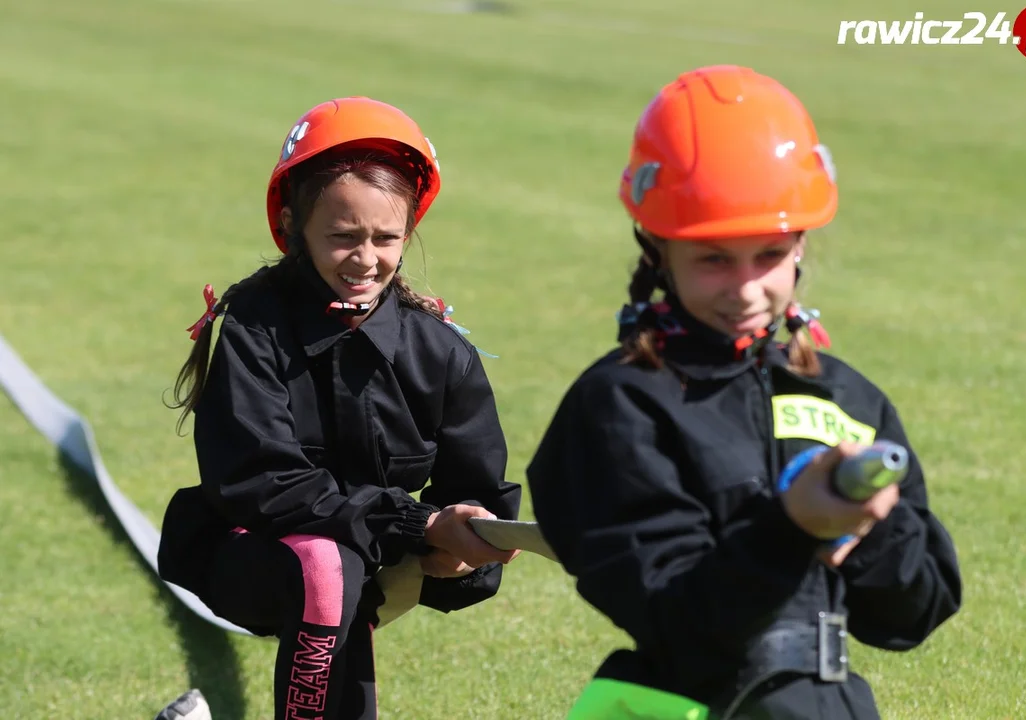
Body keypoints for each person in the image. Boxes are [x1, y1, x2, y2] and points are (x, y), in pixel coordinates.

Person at [525, 65, 962, 720]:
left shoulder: (847, 398)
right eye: (714, 259)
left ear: (801, 247)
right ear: (657, 247)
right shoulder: (621, 406)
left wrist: (877, 528)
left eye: (770, 255)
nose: (748, 288)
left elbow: (914, 613)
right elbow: (677, 623)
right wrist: (794, 529)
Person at [156, 96, 522, 720]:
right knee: (327, 565)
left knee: (342, 569)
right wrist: (414, 523)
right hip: (253, 551)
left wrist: (464, 551)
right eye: (342, 237)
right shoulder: (252, 325)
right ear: (294, 225)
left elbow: (478, 495)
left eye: (386, 238)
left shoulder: (441, 353)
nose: (366, 259)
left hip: (379, 564)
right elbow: (261, 482)